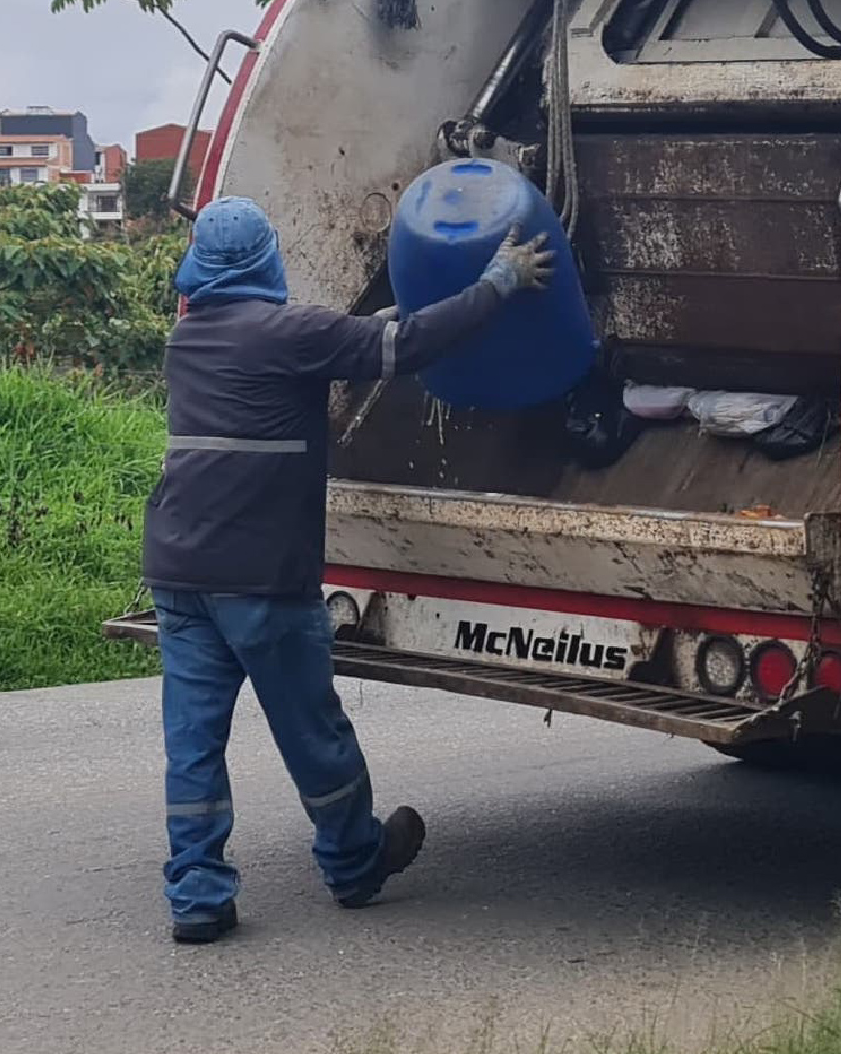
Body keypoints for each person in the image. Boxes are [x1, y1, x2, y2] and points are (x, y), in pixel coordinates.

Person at [145, 196, 553, 945]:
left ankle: (197, 894)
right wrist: (499, 282)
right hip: (260, 576)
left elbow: (356, 336)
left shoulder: (190, 337)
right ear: (267, 258)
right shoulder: (289, 335)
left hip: (179, 570)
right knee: (312, 732)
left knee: (192, 741)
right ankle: (354, 861)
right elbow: (399, 348)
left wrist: (429, 295)